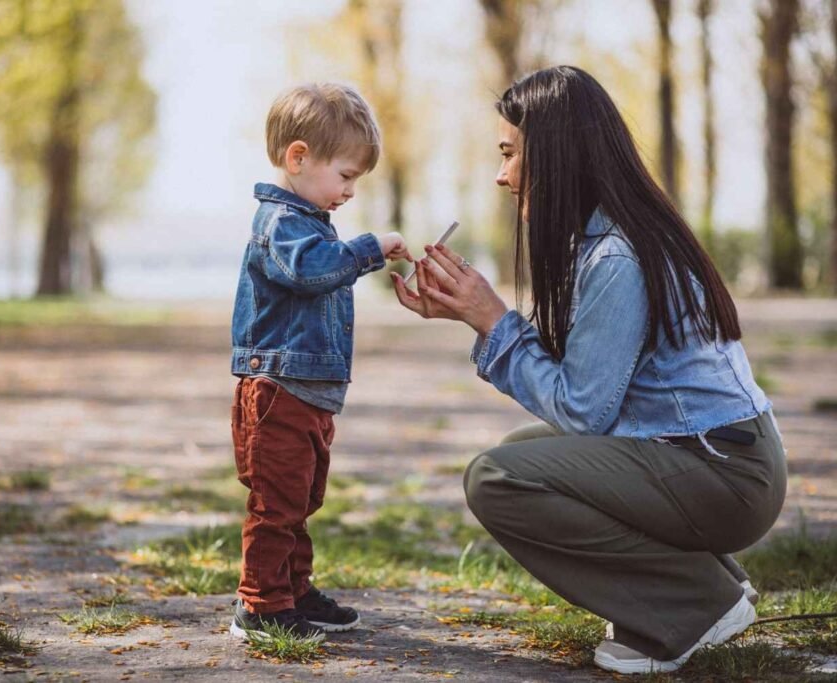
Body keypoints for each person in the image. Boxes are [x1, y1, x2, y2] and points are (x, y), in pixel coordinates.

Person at [391, 66, 786, 675]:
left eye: (510, 153)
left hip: (724, 474)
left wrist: (492, 320)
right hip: (724, 459)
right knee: (524, 450)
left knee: (498, 477)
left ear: (556, 156)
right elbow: (588, 399)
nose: (502, 175)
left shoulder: (618, 257)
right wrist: (477, 317)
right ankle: (705, 587)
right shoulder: (614, 238)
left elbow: (583, 409)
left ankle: (692, 607)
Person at [229, 82, 411, 640]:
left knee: (301, 498)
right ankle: (260, 605)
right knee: (277, 501)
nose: (351, 191)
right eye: (347, 175)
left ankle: (293, 591)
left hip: (307, 392)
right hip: (279, 389)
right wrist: (367, 248)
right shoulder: (281, 225)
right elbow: (309, 271)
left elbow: (324, 267)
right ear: (298, 157)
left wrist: (366, 256)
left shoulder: (309, 224)